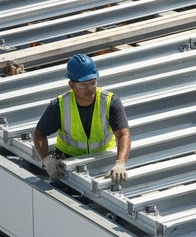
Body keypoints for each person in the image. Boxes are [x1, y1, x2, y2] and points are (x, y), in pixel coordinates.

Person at [33, 53, 131, 185]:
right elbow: (39, 134)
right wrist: (47, 160)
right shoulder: (60, 105)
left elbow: (123, 134)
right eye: (83, 85)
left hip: (103, 160)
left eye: (92, 83)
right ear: (71, 85)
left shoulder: (109, 101)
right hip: (68, 162)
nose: (90, 89)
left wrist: (120, 163)